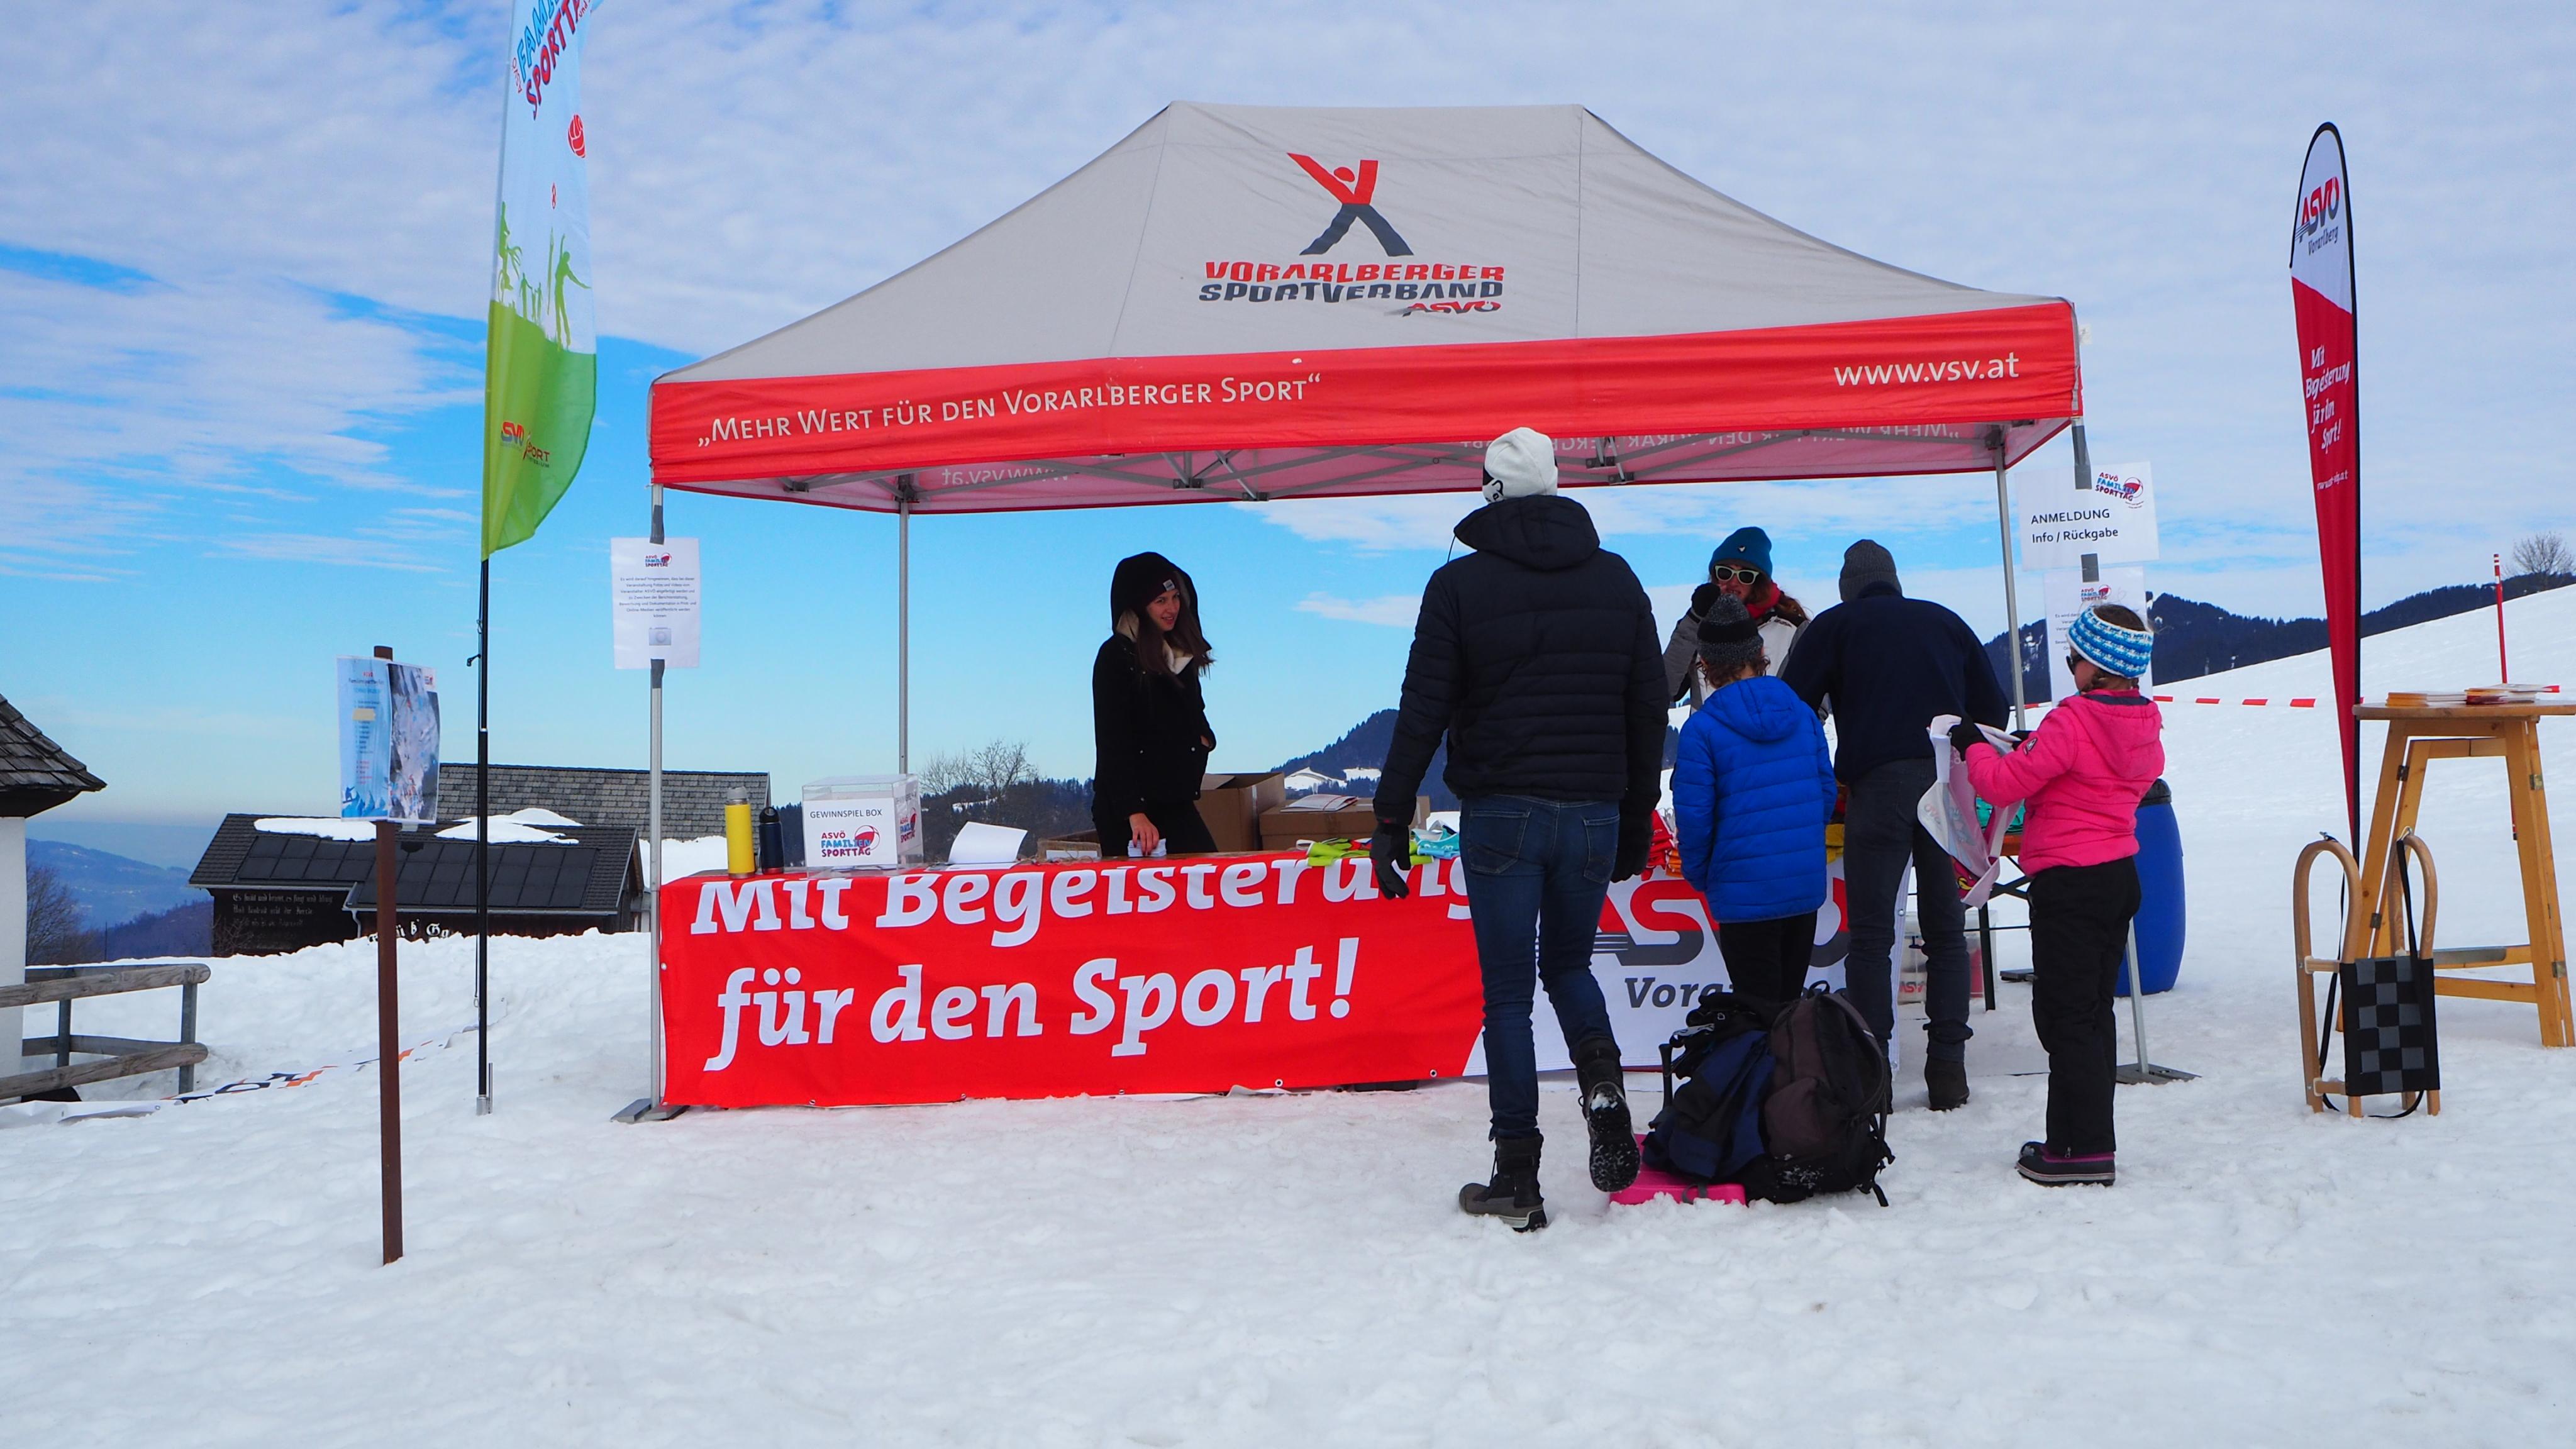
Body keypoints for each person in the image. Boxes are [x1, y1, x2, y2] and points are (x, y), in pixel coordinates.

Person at [1370, 426, 1667, 1230]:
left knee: (1506, 994)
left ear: (1489, 491)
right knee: (1569, 968)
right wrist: (1635, 815)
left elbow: (1423, 709)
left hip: (1502, 812)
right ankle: (1601, 1082)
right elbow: (1647, 708)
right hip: (1595, 810)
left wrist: (1391, 816)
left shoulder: (1457, 585)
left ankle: (1516, 1176)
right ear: (1556, 485)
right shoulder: (1616, 578)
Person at [1779, 540, 2009, 1111]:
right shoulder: (1945, 622)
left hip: (1876, 790)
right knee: (1946, 932)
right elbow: (1994, 709)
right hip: (1944, 790)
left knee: (1872, 938)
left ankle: (1873, 1075)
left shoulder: (1835, 626)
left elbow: (1790, 706)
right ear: (1895, 581)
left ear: (1848, 589)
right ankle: (1948, 1070)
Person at [1955, 604, 2163, 1186]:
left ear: (2096, 665)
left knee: (2065, 1017)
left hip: (2070, 882)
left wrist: (1972, 743)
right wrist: (2037, 748)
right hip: (2117, 875)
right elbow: (2097, 771)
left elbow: (1998, 785)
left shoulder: (2072, 720)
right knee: (2092, 1012)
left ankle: (2081, 1150)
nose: (2070, 668)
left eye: (2073, 659)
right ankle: (2079, 1139)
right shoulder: (2145, 719)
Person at [1670, 596, 1838, 1002]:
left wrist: (1702, 875)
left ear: (1704, 663)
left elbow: (1695, 818)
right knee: (1790, 1011)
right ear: (1760, 653)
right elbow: (1825, 792)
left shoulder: (1702, 729)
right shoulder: (1801, 714)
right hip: (1802, 885)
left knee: (1756, 1012)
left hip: (1741, 891)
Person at [1091, 553, 1218, 858]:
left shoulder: (1179, 653)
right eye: (1161, 601)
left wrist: (1204, 741)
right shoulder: (1116, 657)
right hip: (1131, 815)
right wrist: (1134, 812)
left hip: (1176, 801)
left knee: (1207, 874)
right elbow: (1112, 740)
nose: (1172, 608)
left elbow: (1195, 712)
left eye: (1175, 598)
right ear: (1138, 605)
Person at [1661, 526, 1809, 705]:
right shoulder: (1697, 625)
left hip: (1771, 724)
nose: (1733, 582)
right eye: (1725, 572)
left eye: (1745, 576)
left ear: (1759, 582)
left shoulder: (1793, 628)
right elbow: (1665, 689)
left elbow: (1814, 700)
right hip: (1708, 724)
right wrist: (1694, 618)